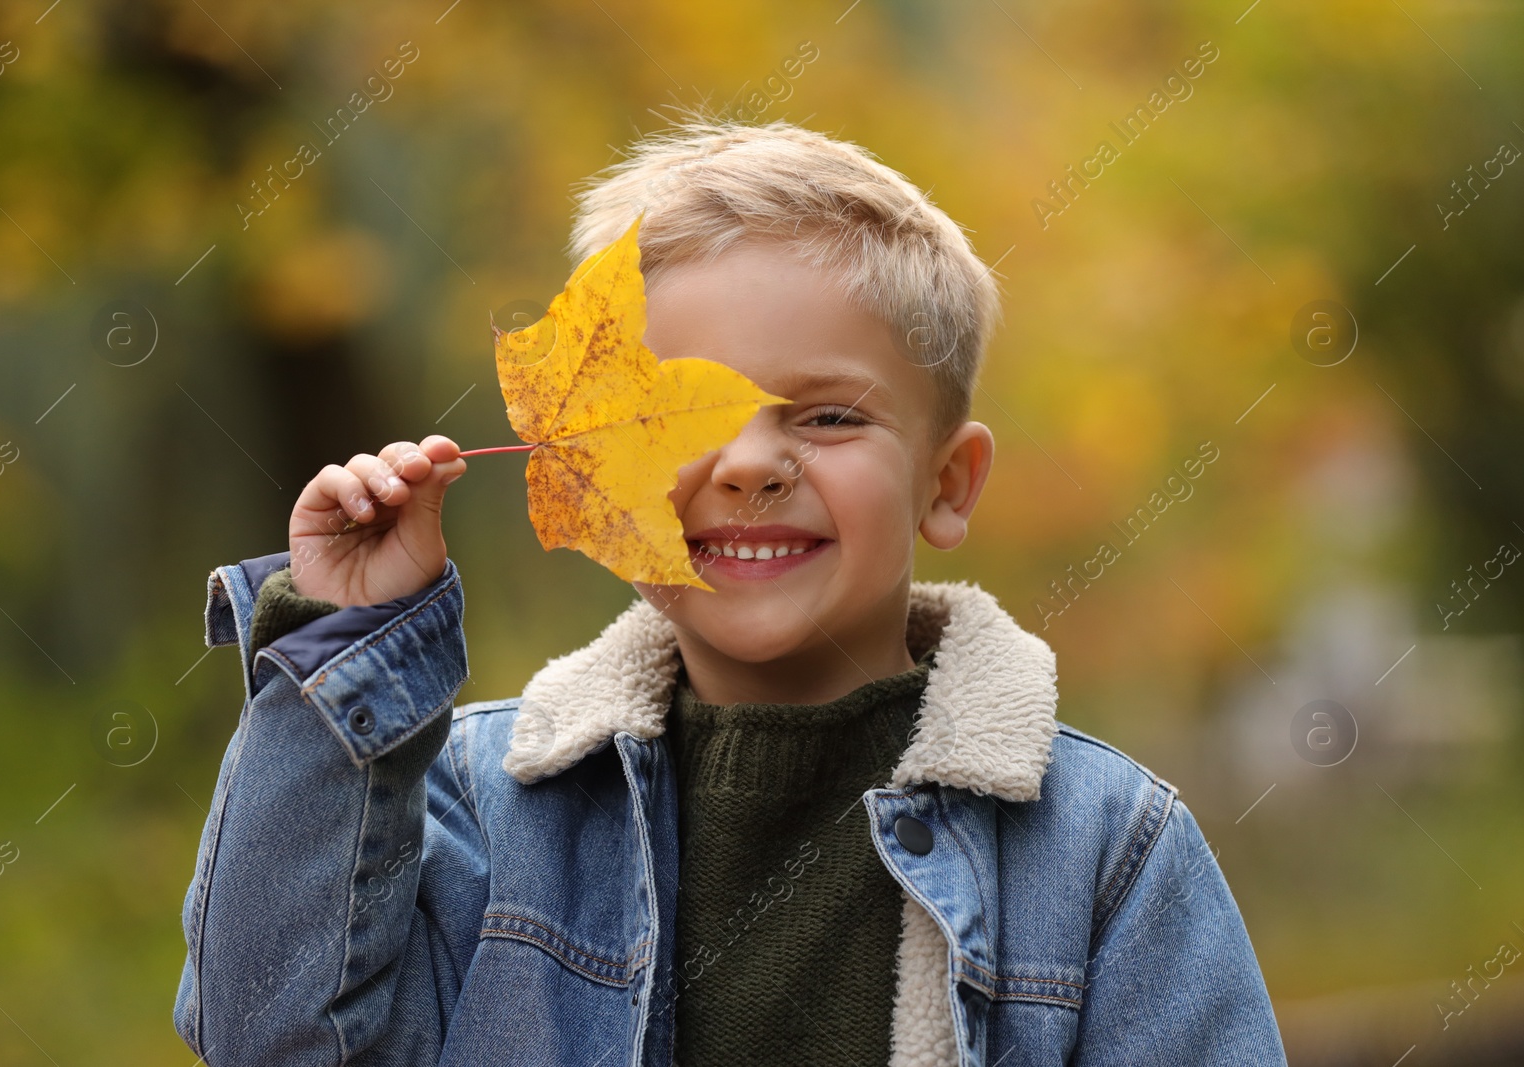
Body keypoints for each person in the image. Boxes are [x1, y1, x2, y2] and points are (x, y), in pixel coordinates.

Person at [173, 118, 1286, 1066]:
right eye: (682, 415)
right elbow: (268, 1031)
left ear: (946, 485)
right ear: (591, 460)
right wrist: (343, 643)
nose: (750, 465)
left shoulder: (1102, 849)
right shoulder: (481, 806)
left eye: (828, 415)